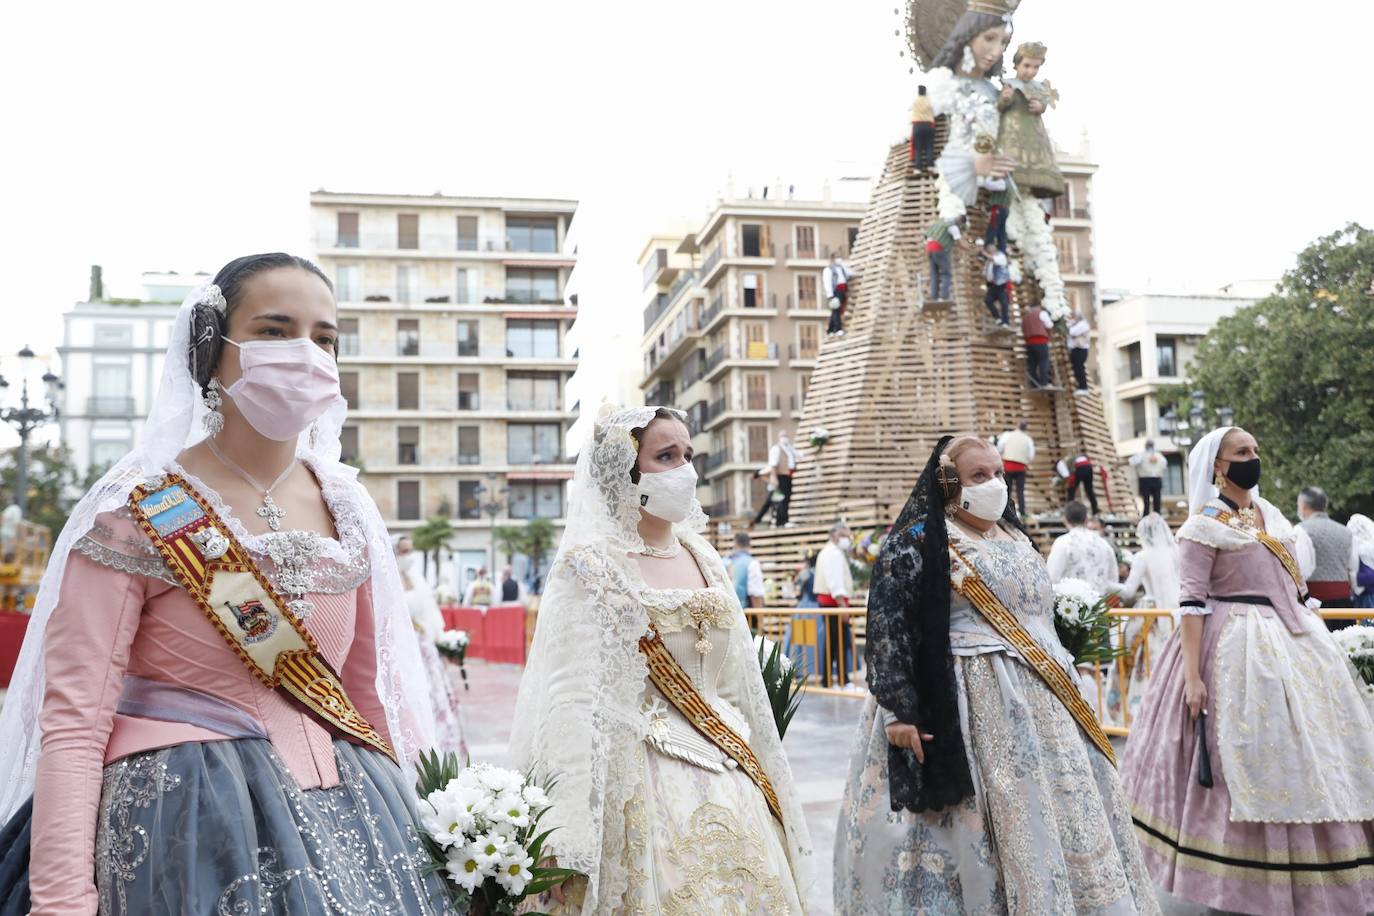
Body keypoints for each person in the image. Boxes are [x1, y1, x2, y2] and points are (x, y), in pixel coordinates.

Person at [0, 255, 450, 913]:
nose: (306, 352)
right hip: (179, 824)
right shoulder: (140, 510)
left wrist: (432, 829)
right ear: (214, 349)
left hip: (352, 817)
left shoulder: (350, 509)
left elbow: (366, 700)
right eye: (274, 330)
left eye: (323, 338)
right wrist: (63, 898)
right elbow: (73, 720)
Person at [834, 434, 1156, 914]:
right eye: (978, 476)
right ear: (948, 483)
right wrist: (900, 710)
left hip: (1042, 698)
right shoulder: (921, 540)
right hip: (964, 697)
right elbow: (892, 624)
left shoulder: (1015, 534)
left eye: (998, 474)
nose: (993, 484)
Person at [508, 406, 811, 913]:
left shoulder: (705, 556)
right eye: (665, 456)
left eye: (687, 455)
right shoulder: (591, 565)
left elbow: (738, 680)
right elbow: (570, 697)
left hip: (729, 770)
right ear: (627, 472)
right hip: (640, 778)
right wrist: (565, 829)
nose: (684, 471)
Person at [1122, 427, 1374, 914]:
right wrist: (1193, 677)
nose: (1252, 458)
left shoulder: (1270, 515)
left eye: (1255, 450)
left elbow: (1294, 584)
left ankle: (1315, 869)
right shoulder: (1203, 525)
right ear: (1218, 466)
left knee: (1311, 755)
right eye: (1242, 452)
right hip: (1233, 647)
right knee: (1247, 755)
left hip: (1291, 640)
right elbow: (1191, 603)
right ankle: (1240, 877)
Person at [1106, 514, 1182, 726]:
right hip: (1177, 613)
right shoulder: (1177, 552)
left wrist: (1108, 584)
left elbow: (1129, 590)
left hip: (1151, 613)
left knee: (1145, 661)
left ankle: (1143, 713)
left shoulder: (1143, 556)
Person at [396, 536, 468, 758]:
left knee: (434, 694)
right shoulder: (388, 579)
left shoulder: (416, 579)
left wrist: (443, 643)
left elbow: (430, 613)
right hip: (402, 646)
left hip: (424, 644)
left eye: (411, 550)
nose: (408, 556)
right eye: (404, 550)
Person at [995, 42, 1067, 198]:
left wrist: (1040, 106)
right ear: (1016, 64)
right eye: (1026, 66)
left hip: (1033, 134)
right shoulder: (1008, 84)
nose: (1031, 71)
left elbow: (1045, 104)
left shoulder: (1040, 87)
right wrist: (1005, 99)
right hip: (1012, 133)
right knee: (1011, 167)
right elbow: (998, 109)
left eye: (1035, 67)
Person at [1295, 486, 1360, 627]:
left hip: (1314, 604)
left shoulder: (1301, 530)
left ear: (1303, 506)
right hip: (1344, 604)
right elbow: (1353, 567)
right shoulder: (1346, 532)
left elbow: (1300, 570)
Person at [1047, 500, 1120, 597]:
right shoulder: (1104, 543)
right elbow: (1113, 578)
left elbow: (1051, 578)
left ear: (1065, 520)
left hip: (1071, 608)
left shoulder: (1062, 543)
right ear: (1086, 519)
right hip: (1099, 606)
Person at [814, 522, 855, 688]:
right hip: (835, 604)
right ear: (835, 535)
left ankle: (829, 680)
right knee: (839, 642)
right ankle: (842, 680)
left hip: (829, 604)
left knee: (832, 643)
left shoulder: (827, 551)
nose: (846, 539)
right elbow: (835, 582)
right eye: (843, 535)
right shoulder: (833, 553)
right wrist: (842, 605)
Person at [753, 430, 798, 527]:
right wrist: (773, 479)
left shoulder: (788, 450)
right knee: (776, 503)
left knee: (778, 502)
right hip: (777, 483)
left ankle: (777, 521)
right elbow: (771, 467)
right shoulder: (776, 449)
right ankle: (778, 521)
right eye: (783, 436)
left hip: (781, 481)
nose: (785, 438)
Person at [997, 419, 1035, 516]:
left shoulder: (1007, 435)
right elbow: (1031, 456)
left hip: (1008, 466)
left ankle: (1005, 512)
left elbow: (1000, 447)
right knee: (1020, 491)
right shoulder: (1028, 439)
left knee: (1007, 490)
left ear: (1017, 426)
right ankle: (1022, 512)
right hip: (1021, 468)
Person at [924, 215, 963, 302]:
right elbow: (959, 242)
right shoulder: (953, 226)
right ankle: (943, 297)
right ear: (960, 222)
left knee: (934, 274)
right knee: (946, 274)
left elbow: (926, 235)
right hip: (939, 249)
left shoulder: (939, 223)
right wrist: (969, 248)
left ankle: (934, 298)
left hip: (929, 249)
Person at [728, 531, 765, 610]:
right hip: (743, 614)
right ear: (749, 545)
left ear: (735, 544)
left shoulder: (723, 562)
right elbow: (755, 594)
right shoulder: (752, 563)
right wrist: (760, 621)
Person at [1130, 439, 1167, 515]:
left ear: (1146, 446)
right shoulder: (1159, 456)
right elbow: (1164, 465)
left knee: (1146, 501)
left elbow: (1131, 461)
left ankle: (1146, 516)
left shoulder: (1142, 455)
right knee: (1157, 501)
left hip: (1145, 479)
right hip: (1157, 479)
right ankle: (1157, 516)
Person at [1021, 302, 1054, 388]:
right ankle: (1044, 383)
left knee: (1033, 364)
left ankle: (1034, 384)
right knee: (1043, 362)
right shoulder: (1042, 313)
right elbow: (1049, 325)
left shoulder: (1025, 317)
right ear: (1038, 307)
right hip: (1040, 341)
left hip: (1029, 343)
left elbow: (1023, 330)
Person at [1347, 513, 1374, 611]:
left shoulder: (1362, 548)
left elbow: (1370, 576)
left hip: (1366, 596)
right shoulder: (1369, 546)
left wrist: (1350, 577)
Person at [824, 255, 853, 336]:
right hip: (835, 291)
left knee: (837, 310)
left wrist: (843, 265)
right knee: (836, 310)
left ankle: (830, 330)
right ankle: (838, 329)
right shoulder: (828, 270)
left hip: (842, 291)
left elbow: (850, 273)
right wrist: (830, 295)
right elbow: (827, 283)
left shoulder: (841, 268)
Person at [982, 247, 1011, 327]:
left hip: (1001, 284)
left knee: (1004, 303)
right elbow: (985, 273)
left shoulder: (1000, 257)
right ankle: (997, 317)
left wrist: (985, 254)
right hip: (992, 285)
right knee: (988, 300)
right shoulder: (988, 262)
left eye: (990, 251)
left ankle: (1006, 321)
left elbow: (995, 260)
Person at [910, 84, 935, 170]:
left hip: (917, 125)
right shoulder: (929, 101)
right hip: (928, 125)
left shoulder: (915, 101)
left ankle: (918, 167)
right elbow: (933, 110)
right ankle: (930, 165)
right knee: (929, 146)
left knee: (918, 147)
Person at [1067, 307, 1091, 392]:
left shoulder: (1083, 325)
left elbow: (1072, 332)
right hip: (1075, 349)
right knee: (1076, 368)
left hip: (1080, 349)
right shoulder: (1076, 324)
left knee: (1079, 367)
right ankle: (1080, 386)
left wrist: (1069, 326)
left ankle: (1083, 387)